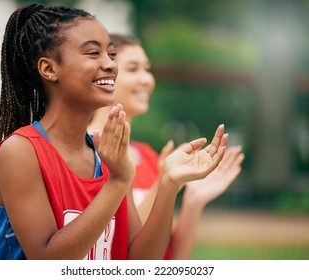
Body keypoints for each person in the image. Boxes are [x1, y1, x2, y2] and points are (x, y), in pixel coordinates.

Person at [0, 4, 228, 260]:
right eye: (93, 53)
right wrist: (118, 181)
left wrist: (168, 182)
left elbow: (139, 262)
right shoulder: (21, 151)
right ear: (49, 69)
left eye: (111, 54)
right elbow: (49, 262)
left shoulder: (107, 154)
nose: (110, 65)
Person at [88, 34, 244, 259]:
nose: (147, 80)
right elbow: (123, 250)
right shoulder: (82, 153)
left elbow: (169, 261)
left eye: (147, 69)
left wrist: (193, 200)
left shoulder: (150, 157)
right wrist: (164, 182)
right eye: (133, 69)